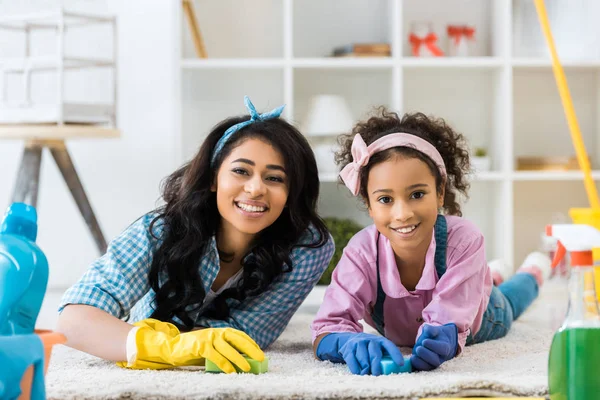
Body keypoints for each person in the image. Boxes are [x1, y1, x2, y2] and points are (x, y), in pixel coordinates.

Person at [57, 96, 334, 373]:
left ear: (292, 193)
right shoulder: (160, 230)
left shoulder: (308, 246)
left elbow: (249, 335)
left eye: (274, 178)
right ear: (214, 178)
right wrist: (168, 349)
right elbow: (74, 320)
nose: (255, 189)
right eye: (240, 171)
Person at [311, 109, 551, 375]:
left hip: (485, 316)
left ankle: (534, 272)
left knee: (511, 299)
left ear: (439, 193)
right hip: (464, 280)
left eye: (417, 194)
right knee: (484, 279)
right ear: (368, 205)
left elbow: (448, 319)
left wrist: (444, 336)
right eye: (385, 199)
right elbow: (326, 327)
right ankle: (490, 273)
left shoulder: (464, 240)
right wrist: (346, 341)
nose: (402, 214)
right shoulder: (361, 253)